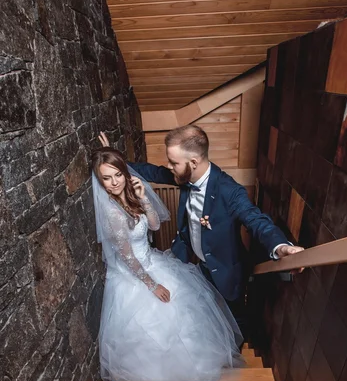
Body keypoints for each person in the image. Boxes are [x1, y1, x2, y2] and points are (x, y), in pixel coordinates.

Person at [99, 126, 303, 337]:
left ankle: (235, 351)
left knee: (235, 317)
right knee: (198, 313)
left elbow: (256, 219)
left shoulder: (229, 191)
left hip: (226, 269)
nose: (169, 167)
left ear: (194, 162)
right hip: (191, 262)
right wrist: (116, 163)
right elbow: (153, 171)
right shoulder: (183, 175)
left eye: (174, 163)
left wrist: (280, 247)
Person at [91, 147, 244, 381]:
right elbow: (128, 259)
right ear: (100, 181)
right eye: (106, 178)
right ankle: (167, 373)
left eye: (117, 174)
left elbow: (152, 224)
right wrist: (152, 286)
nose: (114, 182)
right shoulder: (112, 214)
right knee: (157, 320)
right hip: (135, 275)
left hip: (152, 261)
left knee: (184, 311)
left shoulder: (129, 195)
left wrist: (143, 198)